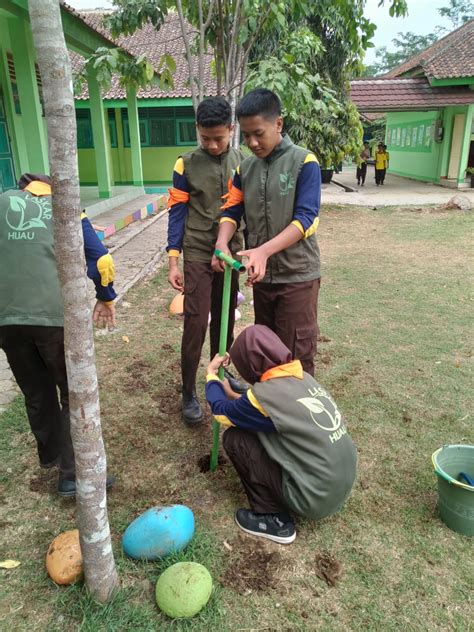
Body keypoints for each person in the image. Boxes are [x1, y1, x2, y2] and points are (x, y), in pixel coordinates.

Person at [0, 173, 116, 497]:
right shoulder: (65, 205)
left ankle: (50, 456)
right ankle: (71, 475)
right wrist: (106, 297)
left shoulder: (2, 202)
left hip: (7, 319)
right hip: (53, 317)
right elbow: (102, 258)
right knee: (72, 391)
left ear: (23, 189)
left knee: (36, 390)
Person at [205, 325, 357, 544]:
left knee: (236, 439)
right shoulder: (301, 376)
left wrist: (211, 377)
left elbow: (220, 412)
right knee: (259, 431)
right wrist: (232, 393)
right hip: (339, 484)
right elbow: (265, 405)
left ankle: (272, 518)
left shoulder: (264, 397)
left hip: (314, 497)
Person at [213, 88, 321, 376]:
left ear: (279, 124)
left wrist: (263, 250)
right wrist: (221, 242)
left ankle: (301, 417)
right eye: (246, 136)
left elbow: (306, 219)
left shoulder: (304, 162)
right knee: (268, 352)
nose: (252, 142)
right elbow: (231, 210)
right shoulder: (245, 169)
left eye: (258, 133)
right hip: (262, 279)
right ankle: (268, 417)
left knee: (297, 356)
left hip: (297, 276)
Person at [166, 96, 246, 425]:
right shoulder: (185, 164)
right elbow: (177, 212)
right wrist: (174, 260)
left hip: (230, 253)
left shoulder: (245, 163)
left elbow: (248, 212)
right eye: (205, 138)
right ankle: (188, 392)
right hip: (198, 251)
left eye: (219, 138)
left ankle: (220, 376)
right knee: (196, 324)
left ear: (231, 128)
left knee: (225, 321)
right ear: (197, 131)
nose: (212, 145)